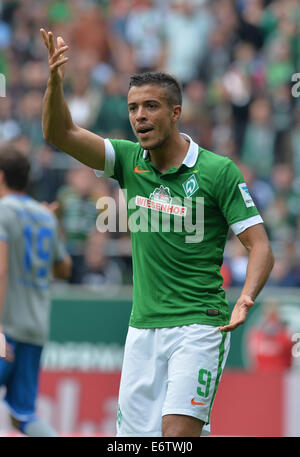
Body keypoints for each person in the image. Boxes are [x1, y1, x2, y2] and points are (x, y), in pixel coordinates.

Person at [40, 29, 274, 437]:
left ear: (176, 112)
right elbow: (60, 134)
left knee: (175, 437)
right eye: (133, 108)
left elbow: (260, 246)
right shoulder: (129, 160)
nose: (139, 117)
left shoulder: (218, 171)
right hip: (141, 329)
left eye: (150, 106)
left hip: (200, 327)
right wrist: (55, 84)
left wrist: (247, 297)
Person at [0, 143, 72, 437]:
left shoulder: (3, 211)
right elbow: (64, 269)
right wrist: (53, 224)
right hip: (34, 330)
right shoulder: (44, 215)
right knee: (23, 416)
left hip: (6, 331)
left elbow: (1, 269)